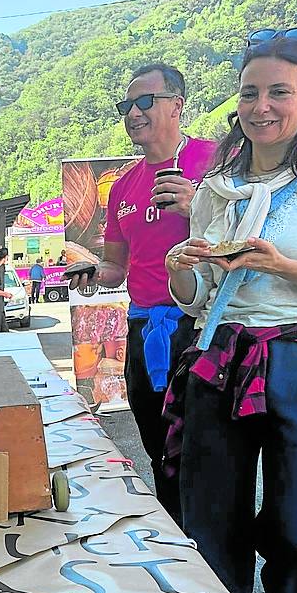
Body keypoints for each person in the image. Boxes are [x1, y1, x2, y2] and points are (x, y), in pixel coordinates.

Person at [163, 37, 297, 593]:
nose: (262, 105)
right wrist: (182, 272)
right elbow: (198, 300)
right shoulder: (215, 190)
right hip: (218, 355)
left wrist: (281, 265)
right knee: (209, 513)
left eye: (280, 91)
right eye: (251, 92)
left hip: (295, 358)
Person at [68, 62, 216, 524]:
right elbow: (117, 265)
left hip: (202, 326)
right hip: (144, 328)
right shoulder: (123, 188)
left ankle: (214, 553)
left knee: (207, 452)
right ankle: (178, 540)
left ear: (177, 105)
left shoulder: (216, 160)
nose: (132, 112)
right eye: (126, 105)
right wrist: (95, 271)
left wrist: (199, 205)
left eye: (144, 102)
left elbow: (250, 231)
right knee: (159, 449)